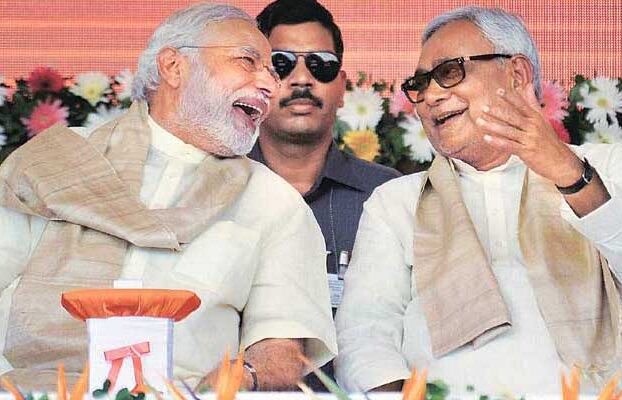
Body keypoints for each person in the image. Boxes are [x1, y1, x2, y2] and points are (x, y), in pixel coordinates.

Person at [0, 3, 336, 391]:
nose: (271, 85)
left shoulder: (273, 201)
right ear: (174, 66)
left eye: (272, 72)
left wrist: (240, 378)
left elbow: (284, 344)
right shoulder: (57, 161)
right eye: (248, 61)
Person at [335, 6, 622, 396]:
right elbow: (364, 333)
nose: (431, 95)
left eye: (449, 72)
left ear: (517, 75)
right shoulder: (397, 202)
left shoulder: (610, 167)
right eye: (421, 83)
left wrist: (572, 176)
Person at [250, 0, 401, 304]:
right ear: (256, 82)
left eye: (321, 63)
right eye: (281, 63)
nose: (302, 79)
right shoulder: (216, 188)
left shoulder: (388, 195)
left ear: (342, 88)